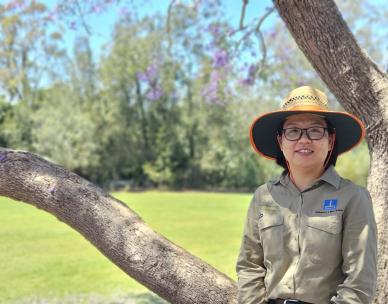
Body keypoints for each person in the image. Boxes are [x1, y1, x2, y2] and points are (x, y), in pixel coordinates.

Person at [236, 86, 377, 304]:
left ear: (330, 141)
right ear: (280, 141)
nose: (304, 140)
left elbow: (360, 283)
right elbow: (249, 266)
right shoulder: (263, 197)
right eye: (293, 131)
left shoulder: (353, 197)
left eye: (315, 130)